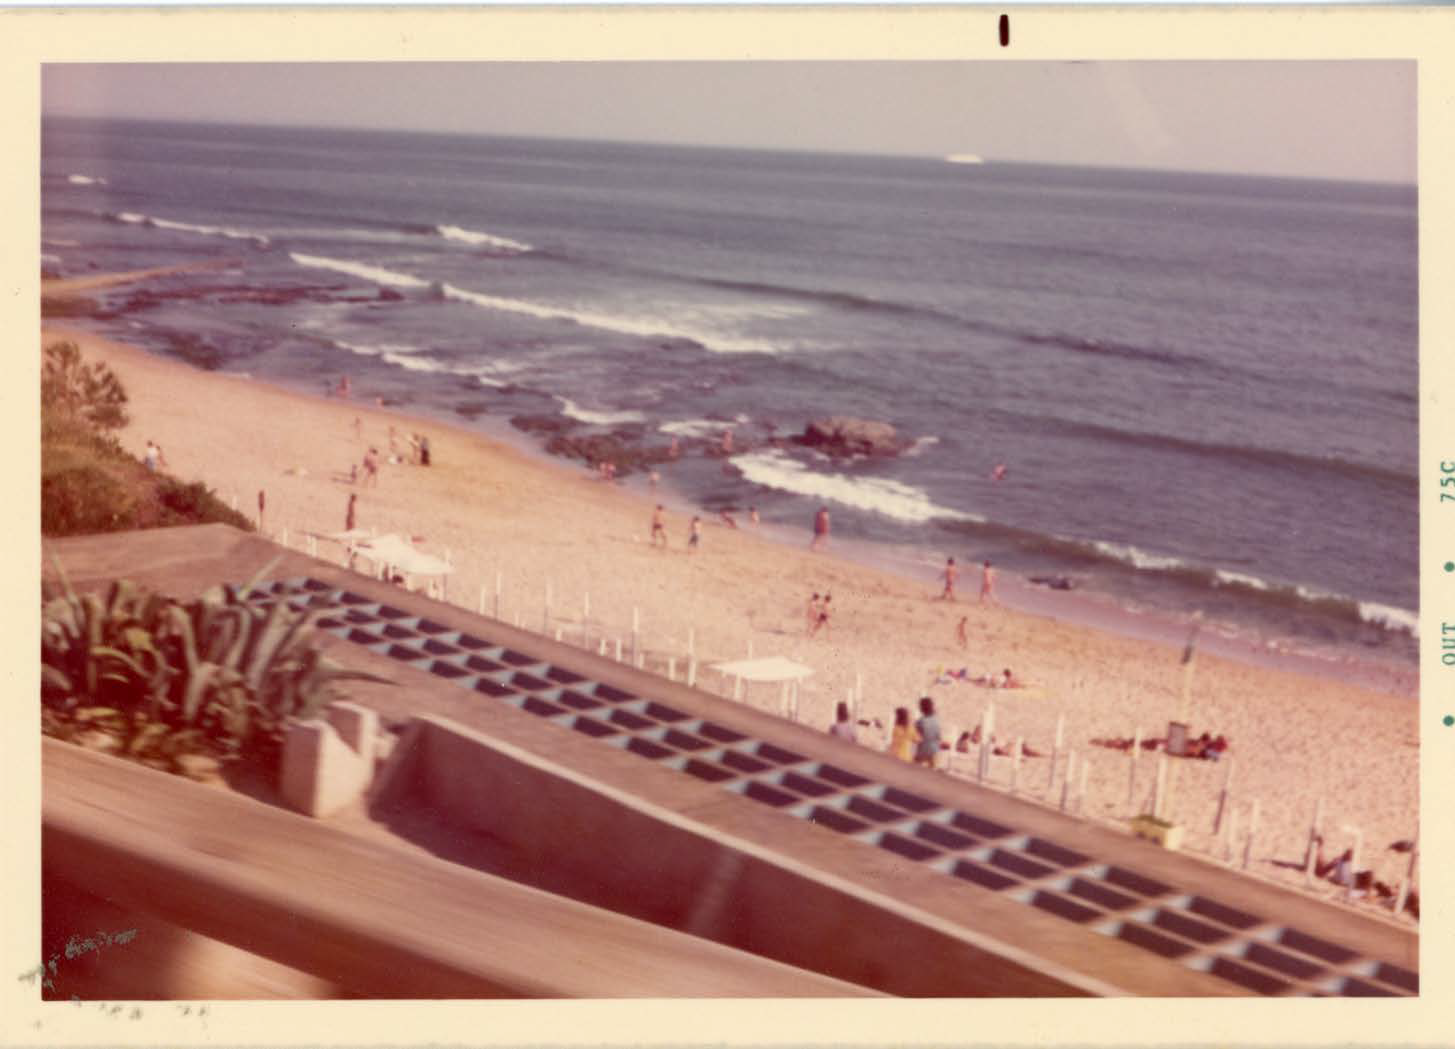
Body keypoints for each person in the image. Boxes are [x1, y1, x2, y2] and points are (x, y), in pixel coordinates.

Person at [914, 696, 942, 769]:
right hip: (934, 750)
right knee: (933, 772)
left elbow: (917, 738)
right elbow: (939, 737)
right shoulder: (936, 720)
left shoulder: (920, 722)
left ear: (922, 708)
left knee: (916, 771)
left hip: (922, 750)